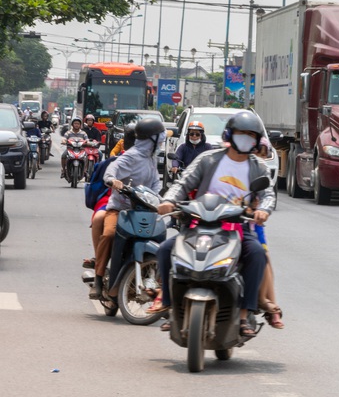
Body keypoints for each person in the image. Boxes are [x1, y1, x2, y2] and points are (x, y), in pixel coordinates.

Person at [153, 111, 274, 337]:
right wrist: (169, 200)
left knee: (257, 254)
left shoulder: (259, 167)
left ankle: (244, 314)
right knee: (165, 250)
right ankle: (169, 305)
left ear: (257, 141)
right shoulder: (208, 159)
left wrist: (263, 211)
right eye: (241, 133)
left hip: (236, 227)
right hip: (200, 222)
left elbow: (268, 194)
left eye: (251, 135)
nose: (246, 138)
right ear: (230, 134)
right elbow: (183, 182)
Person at [90, 118, 164, 299]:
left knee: (161, 238)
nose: (162, 142)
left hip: (144, 210)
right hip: (120, 209)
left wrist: (160, 200)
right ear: (151, 139)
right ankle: (98, 279)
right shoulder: (130, 156)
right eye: (159, 138)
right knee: (109, 234)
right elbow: (111, 170)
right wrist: (112, 180)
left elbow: (156, 183)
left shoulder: (151, 159)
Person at [83, 129, 136, 270]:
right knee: (99, 219)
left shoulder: (149, 163)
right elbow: (99, 184)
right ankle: (99, 260)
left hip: (140, 202)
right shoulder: (113, 162)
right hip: (113, 199)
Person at [253, 137, 284, 329]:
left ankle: (271, 306)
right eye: (257, 154)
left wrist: (260, 210)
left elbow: (267, 199)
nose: (260, 159)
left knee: (264, 259)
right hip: (223, 222)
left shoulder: (261, 174)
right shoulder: (234, 167)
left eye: (264, 155)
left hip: (251, 225)